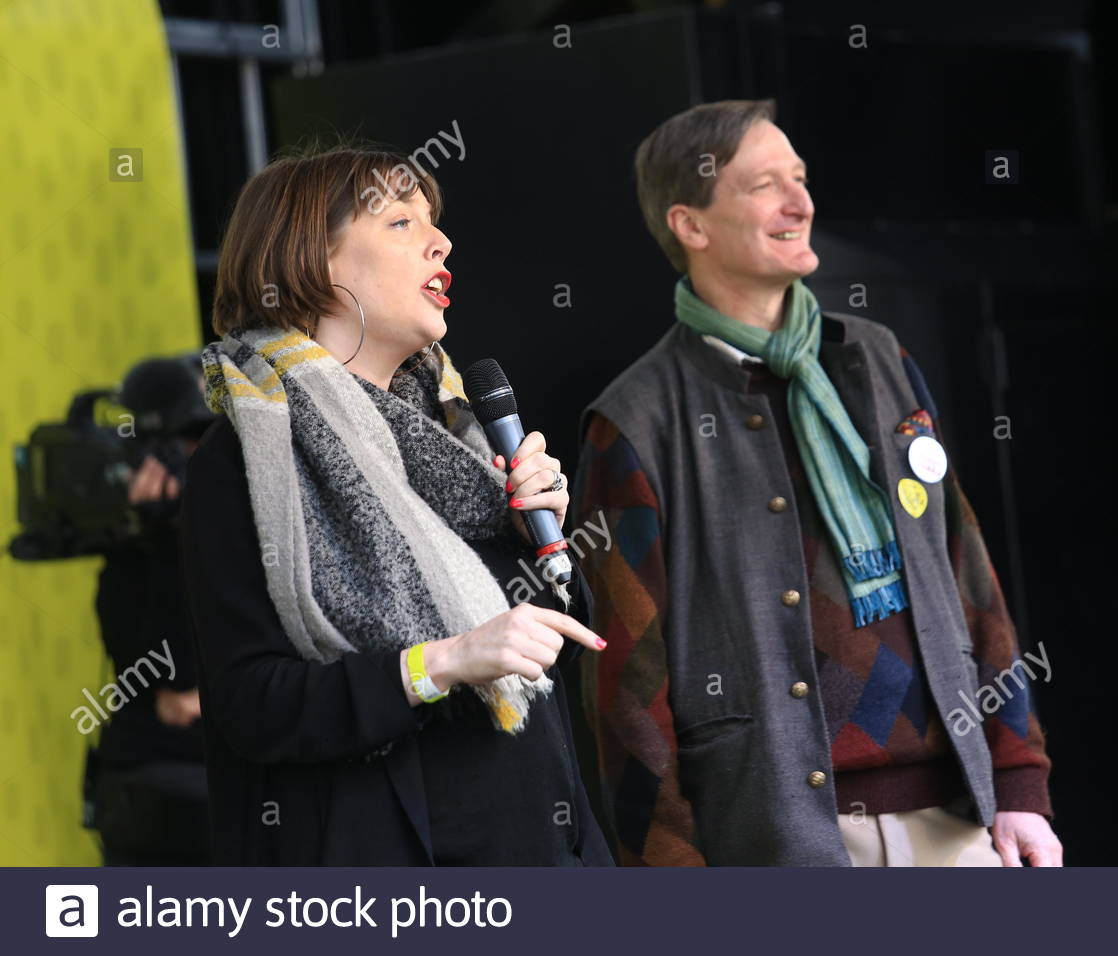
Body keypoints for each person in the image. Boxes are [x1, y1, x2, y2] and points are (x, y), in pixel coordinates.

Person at [572, 100, 1063, 867]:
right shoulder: (635, 420)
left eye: (799, 179)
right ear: (691, 226)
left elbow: (967, 574)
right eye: (765, 184)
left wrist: (1021, 780)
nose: (800, 202)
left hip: (961, 821)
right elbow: (627, 686)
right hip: (782, 847)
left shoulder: (877, 356)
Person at [179, 145, 612, 866]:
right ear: (310, 260)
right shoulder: (243, 458)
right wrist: (439, 664)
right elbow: (253, 704)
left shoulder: (460, 438)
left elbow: (553, 651)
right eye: (402, 223)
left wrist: (546, 541)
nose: (441, 241)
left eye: (434, 223)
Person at [92, 355, 212, 865]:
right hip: (166, 795)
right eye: (185, 443)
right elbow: (178, 689)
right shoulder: (137, 551)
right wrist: (169, 537)